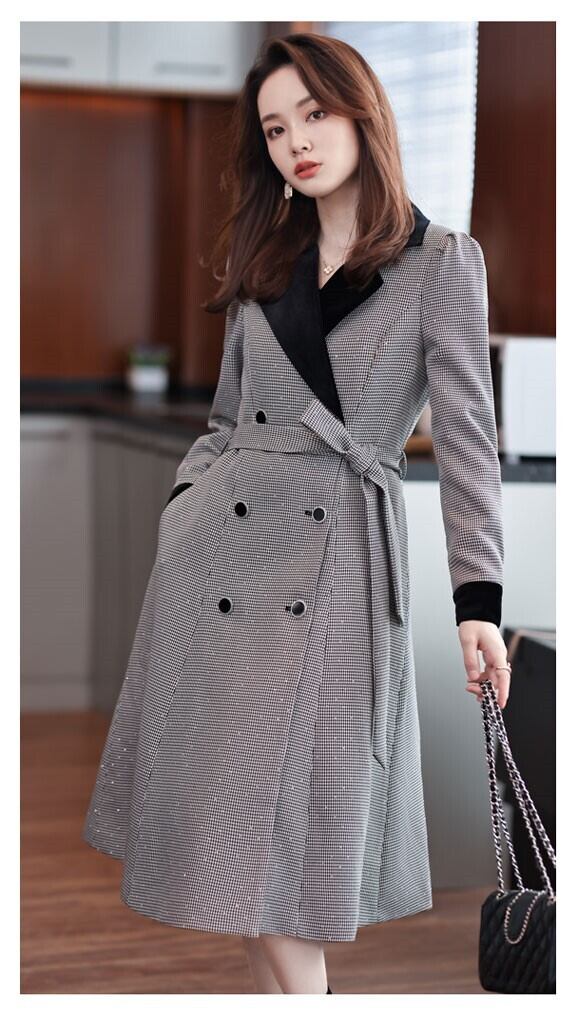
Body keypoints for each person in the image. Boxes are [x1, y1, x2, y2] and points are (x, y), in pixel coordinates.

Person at [83, 33, 511, 995]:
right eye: (276, 129)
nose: (296, 143)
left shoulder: (440, 262)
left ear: (363, 113)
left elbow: (468, 444)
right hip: (217, 568)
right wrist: (184, 510)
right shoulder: (269, 258)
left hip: (336, 571)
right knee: (238, 856)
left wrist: (477, 600)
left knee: (281, 859)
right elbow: (226, 419)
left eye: (314, 115)